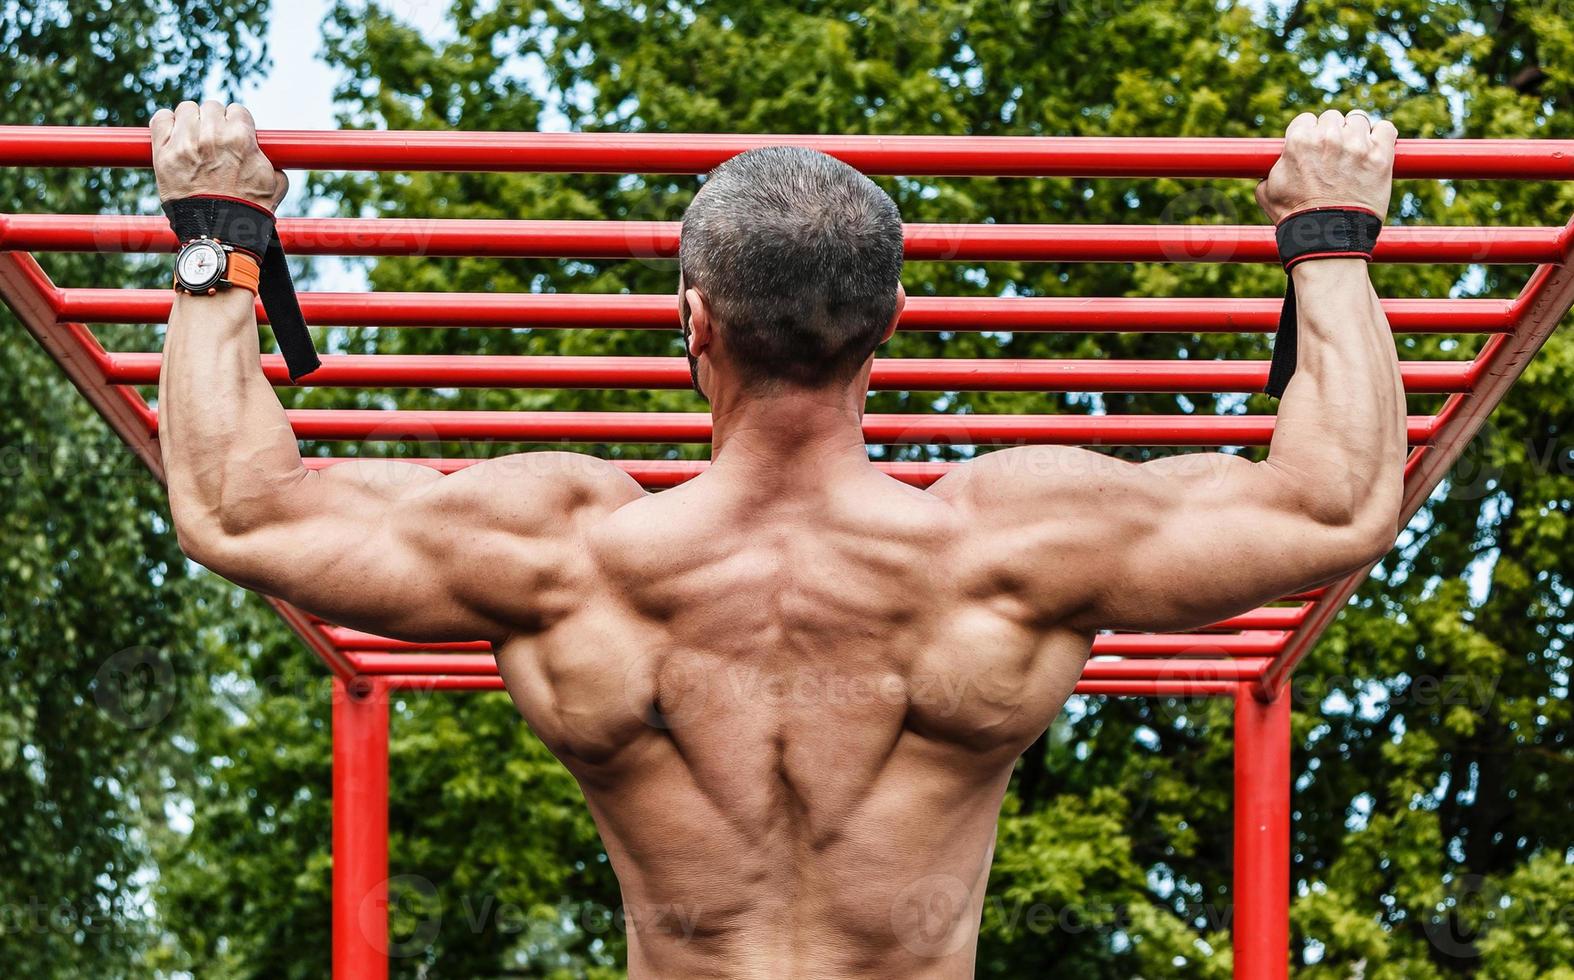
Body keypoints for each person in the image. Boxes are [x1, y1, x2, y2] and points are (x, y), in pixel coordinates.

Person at [149, 100, 1403, 978]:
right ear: (888, 323)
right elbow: (1334, 498)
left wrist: (217, 229)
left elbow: (233, 503)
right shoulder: (1010, 548)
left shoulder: (565, 555)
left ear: (688, 320)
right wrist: (1329, 236)